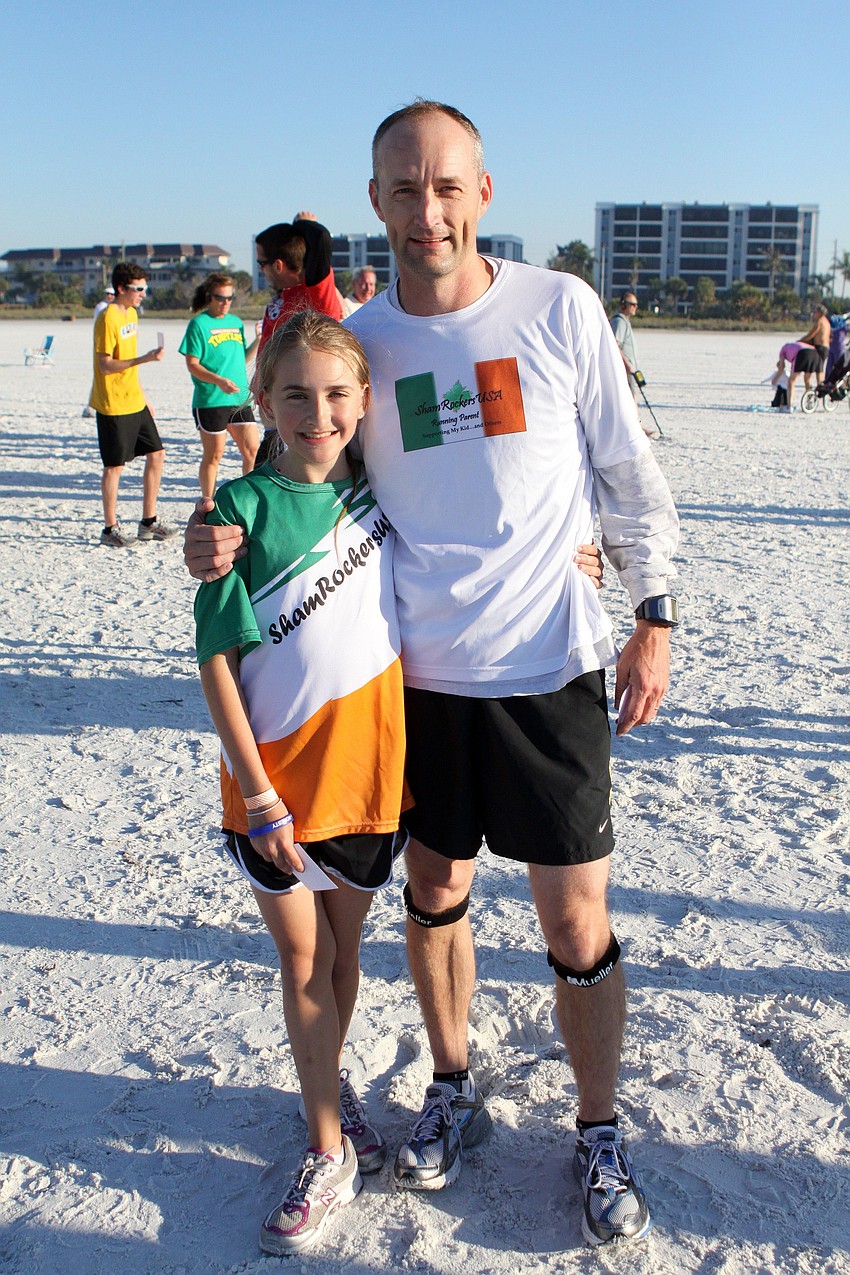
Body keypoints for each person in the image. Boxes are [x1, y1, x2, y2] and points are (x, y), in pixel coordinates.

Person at [185, 100, 678, 1248]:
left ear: (483, 194)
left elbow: (628, 474)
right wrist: (218, 534)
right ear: (375, 202)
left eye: (447, 186)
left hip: (550, 666)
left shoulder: (558, 307)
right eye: (404, 190)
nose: (427, 210)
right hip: (413, 685)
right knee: (436, 896)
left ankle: (598, 1126)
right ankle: (452, 1083)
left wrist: (652, 613)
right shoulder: (367, 341)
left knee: (574, 918)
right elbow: (302, 477)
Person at [195, 311, 409, 1255]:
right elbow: (215, 663)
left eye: (335, 395)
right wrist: (260, 790)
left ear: (364, 402)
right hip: (275, 789)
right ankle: (327, 1147)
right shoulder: (235, 515)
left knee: (344, 956)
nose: (317, 413)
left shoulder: (389, 493)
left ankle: (330, 1085)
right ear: (263, 402)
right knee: (299, 959)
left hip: (371, 780)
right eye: (295, 395)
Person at [91, 262, 178, 547]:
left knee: (157, 454)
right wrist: (146, 358)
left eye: (145, 288)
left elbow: (128, 363)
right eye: (138, 289)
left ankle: (148, 522)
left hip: (134, 399)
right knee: (114, 467)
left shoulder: (132, 314)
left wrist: (143, 396)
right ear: (120, 289)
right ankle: (109, 528)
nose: (142, 294)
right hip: (112, 403)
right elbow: (105, 365)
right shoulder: (107, 318)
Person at [178, 273, 259, 498]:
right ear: (210, 297)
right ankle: (208, 501)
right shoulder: (199, 324)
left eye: (230, 298)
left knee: (253, 451)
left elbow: (240, 359)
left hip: (239, 398)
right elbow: (192, 364)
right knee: (214, 455)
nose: (225, 303)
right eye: (220, 298)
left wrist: (259, 340)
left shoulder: (235, 323)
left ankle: (246, 499)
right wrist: (219, 381)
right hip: (212, 399)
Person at [610, 291, 654, 438]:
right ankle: (637, 426)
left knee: (631, 395)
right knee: (631, 396)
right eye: (632, 304)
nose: (635, 307)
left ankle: (637, 425)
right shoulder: (619, 322)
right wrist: (627, 364)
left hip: (629, 368)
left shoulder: (624, 321)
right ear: (624, 305)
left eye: (636, 304)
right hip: (624, 368)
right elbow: (615, 345)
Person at [82, 286, 117, 417]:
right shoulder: (101, 306)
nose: (110, 296)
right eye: (108, 294)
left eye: (112, 294)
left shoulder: (116, 308)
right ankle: (91, 407)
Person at [774, 340, 818, 411]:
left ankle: (789, 406)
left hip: (802, 353)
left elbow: (781, 367)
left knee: (791, 381)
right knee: (807, 380)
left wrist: (774, 380)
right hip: (814, 353)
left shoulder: (782, 350)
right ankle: (809, 403)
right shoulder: (794, 345)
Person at [797, 305, 831, 381]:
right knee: (819, 368)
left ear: (819, 313)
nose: (814, 314)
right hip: (825, 347)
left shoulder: (820, 321)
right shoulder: (826, 321)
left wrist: (801, 341)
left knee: (818, 370)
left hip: (820, 347)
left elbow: (812, 334)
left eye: (815, 312)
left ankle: (819, 387)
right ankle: (818, 386)